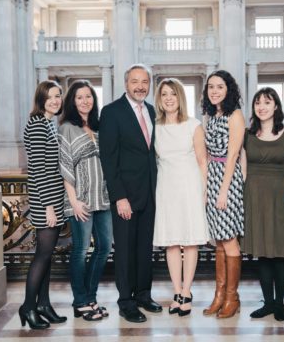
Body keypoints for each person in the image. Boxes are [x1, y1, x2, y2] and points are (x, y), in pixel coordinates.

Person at [99, 64, 162, 323]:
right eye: (135, 81)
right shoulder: (111, 112)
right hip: (125, 196)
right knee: (124, 250)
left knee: (145, 248)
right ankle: (126, 301)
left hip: (150, 193)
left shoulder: (151, 111)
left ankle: (143, 295)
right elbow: (108, 158)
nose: (140, 86)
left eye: (144, 82)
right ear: (126, 84)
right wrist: (119, 196)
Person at [153, 78, 210, 316]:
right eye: (164, 94)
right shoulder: (154, 126)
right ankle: (176, 291)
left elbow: (202, 161)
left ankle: (187, 291)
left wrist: (204, 192)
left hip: (190, 187)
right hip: (166, 188)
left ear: (180, 98)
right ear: (159, 99)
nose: (168, 98)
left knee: (190, 240)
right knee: (171, 241)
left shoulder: (193, 125)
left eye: (173, 94)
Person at [58, 80, 112, 321]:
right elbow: (65, 165)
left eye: (88, 96)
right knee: (80, 250)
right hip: (80, 200)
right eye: (79, 97)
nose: (85, 101)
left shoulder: (100, 127)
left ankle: (90, 298)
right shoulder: (67, 128)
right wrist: (74, 200)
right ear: (72, 101)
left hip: (103, 198)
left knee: (104, 248)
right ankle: (80, 301)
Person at [240, 87, 284, 321]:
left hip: (281, 197)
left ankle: (280, 304)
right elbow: (241, 169)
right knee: (262, 252)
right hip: (253, 195)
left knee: (280, 252)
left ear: (276, 106)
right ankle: (268, 303)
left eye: (267, 102)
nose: (262, 106)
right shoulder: (245, 134)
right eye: (257, 103)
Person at [20, 80, 67, 329]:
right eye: (50, 96)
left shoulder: (48, 123)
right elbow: (38, 171)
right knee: (43, 255)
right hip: (44, 201)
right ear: (41, 99)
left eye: (58, 96)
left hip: (53, 199)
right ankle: (28, 306)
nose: (55, 100)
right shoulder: (38, 125)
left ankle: (43, 304)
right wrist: (49, 206)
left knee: (47, 257)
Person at [202, 70, 245, 319]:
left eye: (219, 86)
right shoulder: (210, 115)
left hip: (228, 179)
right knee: (219, 239)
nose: (215, 91)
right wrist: (207, 187)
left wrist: (223, 190)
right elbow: (207, 155)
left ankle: (232, 297)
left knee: (229, 238)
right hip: (214, 176)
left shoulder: (235, 115)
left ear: (228, 89)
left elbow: (233, 155)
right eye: (211, 87)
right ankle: (219, 295)